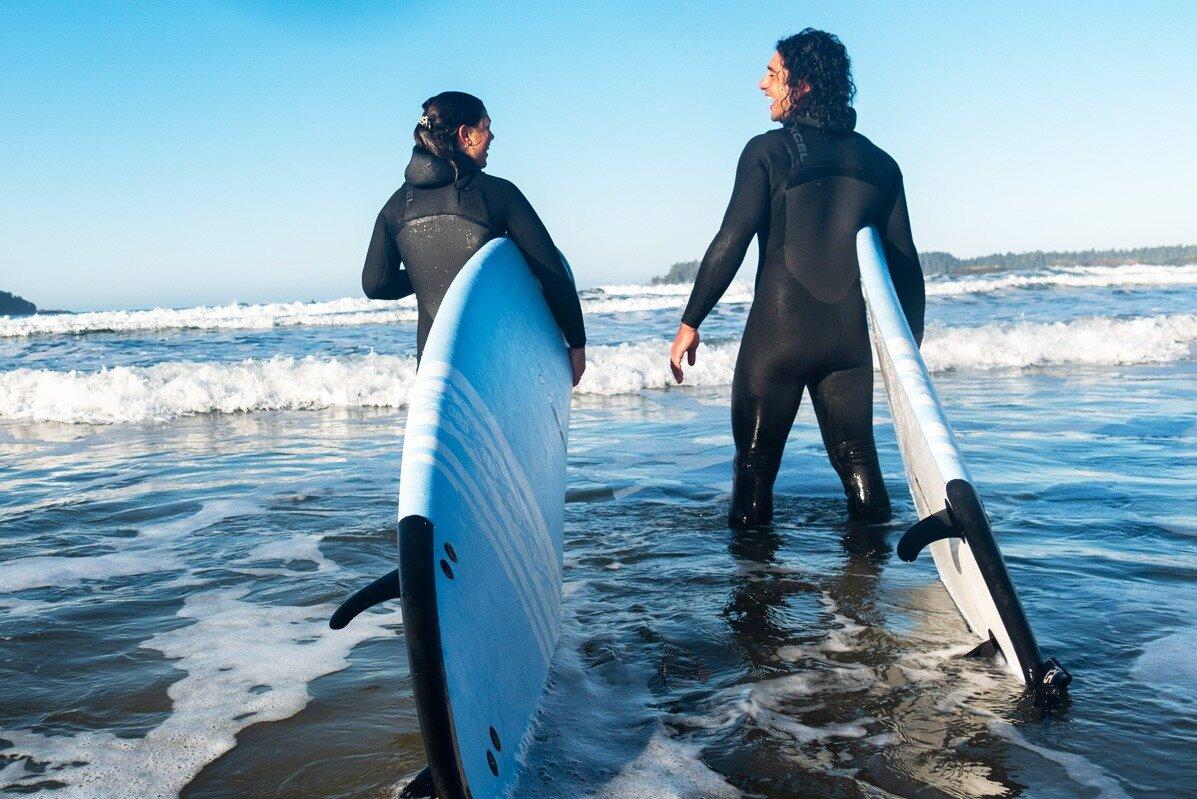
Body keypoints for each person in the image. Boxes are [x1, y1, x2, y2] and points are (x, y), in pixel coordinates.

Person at [668, 29, 925, 528]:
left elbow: (732, 238)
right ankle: (864, 595)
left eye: (773, 73)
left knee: (755, 473)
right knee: (860, 471)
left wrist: (691, 320)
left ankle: (754, 597)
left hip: (778, 338)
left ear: (802, 85)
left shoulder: (769, 151)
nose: (763, 85)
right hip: (848, 346)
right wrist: (908, 346)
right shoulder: (882, 164)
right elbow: (906, 264)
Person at [362, 91, 587, 384]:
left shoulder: (394, 208)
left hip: (435, 377)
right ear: (465, 135)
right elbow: (551, 273)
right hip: (496, 370)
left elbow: (375, 284)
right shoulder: (498, 194)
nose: (492, 136)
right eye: (486, 126)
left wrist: (425, 275)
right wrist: (577, 345)